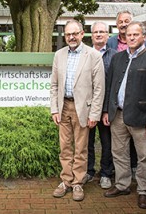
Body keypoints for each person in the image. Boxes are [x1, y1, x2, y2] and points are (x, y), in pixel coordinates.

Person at [102, 21, 146, 209]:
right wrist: (107, 109)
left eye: (135, 34)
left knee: (144, 156)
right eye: (129, 35)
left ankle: (144, 191)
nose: (131, 37)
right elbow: (111, 85)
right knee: (119, 153)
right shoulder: (118, 58)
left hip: (141, 117)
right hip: (118, 115)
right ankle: (122, 185)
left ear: (143, 36)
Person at [50, 20, 105, 201]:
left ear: (82, 34)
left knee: (81, 148)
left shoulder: (94, 55)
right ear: (65, 36)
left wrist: (94, 114)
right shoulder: (59, 55)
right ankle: (66, 181)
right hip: (64, 106)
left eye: (75, 33)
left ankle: (78, 183)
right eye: (68, 34)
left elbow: (99, 88)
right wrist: (54, 109)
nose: (71, 37)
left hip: (83, 109)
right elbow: (54, 85)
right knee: (65, 147)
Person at [83, 22, 116, 189]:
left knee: (107, 143)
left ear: (108, 35)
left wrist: (107, 110)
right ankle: (88, 171)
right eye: (95, 32)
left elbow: (113, 86)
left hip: (105, 110)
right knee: (86, 142)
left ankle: (105, 173)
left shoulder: (115, 56)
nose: (98, 34)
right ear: (91, 35)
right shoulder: (84, 55)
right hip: (87, 109)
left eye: (102, 32)